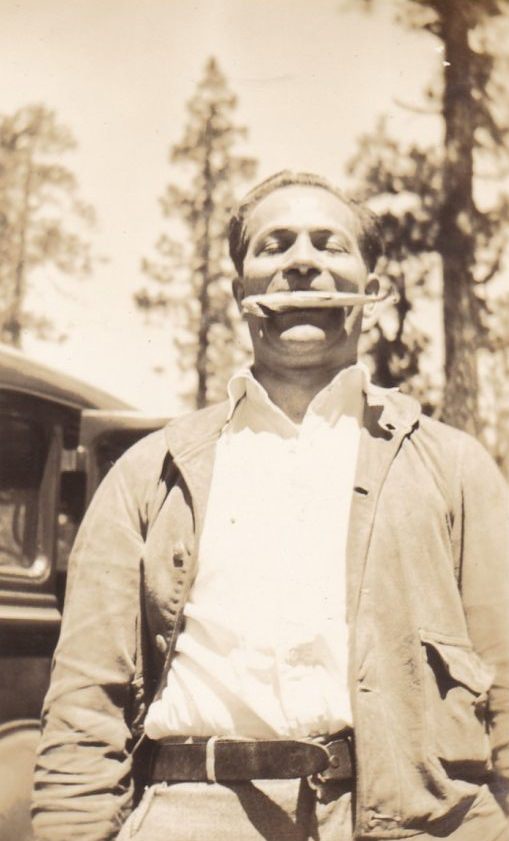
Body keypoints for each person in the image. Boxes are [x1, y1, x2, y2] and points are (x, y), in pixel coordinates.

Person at [32, 171, 509, 841]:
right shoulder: (151, 472)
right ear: (240, 291)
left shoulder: (453, 468)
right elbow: (86, 706)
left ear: (370, 287)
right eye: (274, 244)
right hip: (195, 814)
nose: (303, 260)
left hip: (421, 822)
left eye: (329, 243)